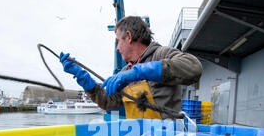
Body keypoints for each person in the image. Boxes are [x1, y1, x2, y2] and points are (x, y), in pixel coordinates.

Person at [59, 16, 203, 119]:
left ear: (128, 36)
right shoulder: (125, 71)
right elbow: (108, 101)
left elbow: (194, 68)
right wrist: (83, 78)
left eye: (118, 41)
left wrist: (138, 72)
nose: (117, 49)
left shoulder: (161, 54)